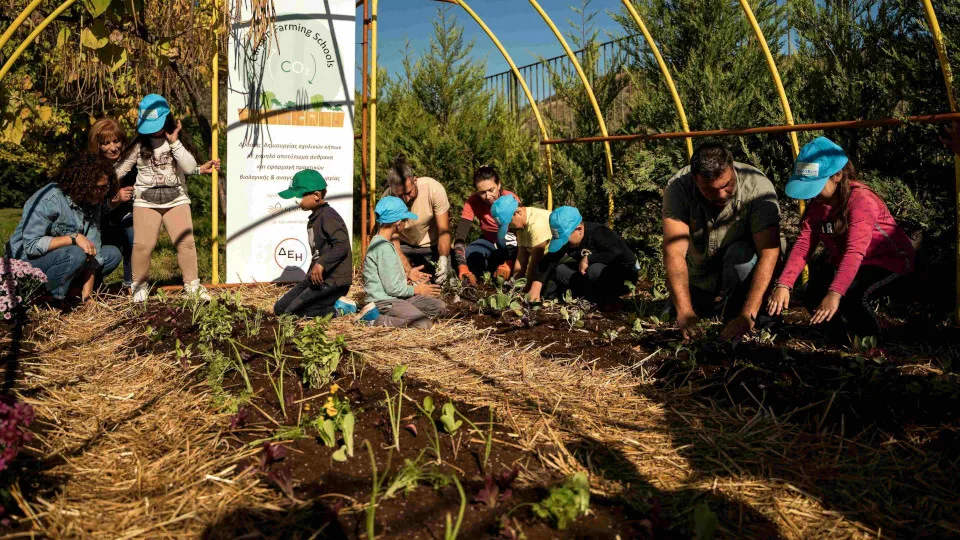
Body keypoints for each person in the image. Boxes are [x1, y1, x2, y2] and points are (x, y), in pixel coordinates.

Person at [767, 137, 914, 340]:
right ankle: (841, 338)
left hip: (887, 262)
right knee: (813, 295)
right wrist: (784, 284)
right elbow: (803, 245)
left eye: (817, 185)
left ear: (837, 175)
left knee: (852, 298)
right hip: (848, 262)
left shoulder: (861, 201)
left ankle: (869, 345)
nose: (812, 193)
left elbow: (855, 252)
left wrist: (835, 294)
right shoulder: (818, 205)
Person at [662, 143, 782, 341]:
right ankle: (707, 302)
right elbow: (674, 251)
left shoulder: (757, 187)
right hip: (700, 269)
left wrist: (747, 314)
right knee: (675, 316)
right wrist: (684, 310)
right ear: (695, 180)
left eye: (726, 185)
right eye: (709, 189)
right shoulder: (678, 187)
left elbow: (769, 253)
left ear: (732, 169)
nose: (720, 195)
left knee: (741, 256)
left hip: (741, 268)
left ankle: (737, 310)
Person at [114, 94, 219, 302]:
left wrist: (175, 143)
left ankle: (192, 285)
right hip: (145, 201)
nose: (153, 129)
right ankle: (139, 286)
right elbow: (120, 169)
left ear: (167, 120)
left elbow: (188, 167)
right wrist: (103, 181)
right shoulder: (139, 145)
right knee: (143, 245)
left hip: (176, 199)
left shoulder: (175, 143)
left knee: (186, 243)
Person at [6, 154, 122, 305]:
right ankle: (52, 299)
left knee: (112, 254)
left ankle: (74, 291)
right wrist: (73, 238)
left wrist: (87, 297)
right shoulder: (49, 199)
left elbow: (94, 250)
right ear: (82, 184)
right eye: (99, 188)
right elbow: (31, 246)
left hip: (65, 257)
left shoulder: (93, 202)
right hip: (27, 262)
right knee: (76, 253)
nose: (103, 193)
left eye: (106, 187)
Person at [272, 169, 353, 318]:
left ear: (316, 195)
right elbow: (318, 253)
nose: (296, 200)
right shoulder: (315, 218)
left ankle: (341, 309)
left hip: (334, 281)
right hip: (317, 279)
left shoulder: (329, 216)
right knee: (280, 309)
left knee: (293, 314)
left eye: (299, 195)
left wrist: (322, 264)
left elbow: (342, 246)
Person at [527, 206, 639, 308]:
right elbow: (549, 261)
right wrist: (535, 287)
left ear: (579, 230)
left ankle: (611, 301)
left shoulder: (599, 233)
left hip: (623, 276)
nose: (565, 244)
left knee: (594, 270)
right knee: (561, 270)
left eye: (566, 239)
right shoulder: (569, 240)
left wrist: (589, 259)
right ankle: (591, 298)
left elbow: (617, 252)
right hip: (592, 277)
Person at [362, 196, 446, 329]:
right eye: (405, 219)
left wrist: (407, 275)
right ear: (398, 221)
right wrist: (417, 290)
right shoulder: (384, 248)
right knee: (423, 324)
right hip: (384, 302)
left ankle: (406, 314)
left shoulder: (382, 243)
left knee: (439, 307)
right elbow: (392, 289)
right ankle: (374, 320)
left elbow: (387, 277)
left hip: (396, 298)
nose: (406, 223)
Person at [382, 154, 451, 284]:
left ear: (415, 180)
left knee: (446, 278)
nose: (406, 199)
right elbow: (393, 240)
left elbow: (444, 230)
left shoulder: (433, 189)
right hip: (403, 245)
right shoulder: (388, 199)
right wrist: (408, 271)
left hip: (431, 246)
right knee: (394, 281)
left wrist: (443, 258)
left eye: (409, 193)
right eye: (400, 195)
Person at [88, 118, 136, 288]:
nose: (113, 147)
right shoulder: (91, 170)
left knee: (132, 232)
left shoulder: (131, 163)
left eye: (116, 141)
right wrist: (114, 200)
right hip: (100, 222)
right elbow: (91, 208)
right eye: (106, 143)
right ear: (97, 145)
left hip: (127, 215)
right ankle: (91, 282)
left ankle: (131, 283)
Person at [454, 166, 521, 285]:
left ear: (499, 185)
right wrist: (462, 266)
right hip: (488, 241)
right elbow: (460, 235)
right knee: (470, 253)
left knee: (504, 241)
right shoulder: (473, 201)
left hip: (512, 243)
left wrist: (509, 261)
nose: (488, 196)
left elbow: (521, 234)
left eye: (491, 190)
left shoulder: (510, 199)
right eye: (482, 192)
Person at [489, 195, 552, 288]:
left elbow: (535, 262)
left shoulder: (537, 224)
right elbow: (522, 256)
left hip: (559, 261)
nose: (509, 227)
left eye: (509, 223)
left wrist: (526, 289)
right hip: (545, 262)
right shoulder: (520, 225)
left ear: (518, 212)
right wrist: (515, 283)